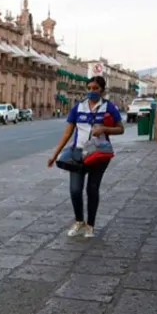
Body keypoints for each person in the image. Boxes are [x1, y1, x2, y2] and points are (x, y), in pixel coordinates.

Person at [47, 76, 124, 238]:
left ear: (102, 90)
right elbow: (68, 132)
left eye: (95, 88)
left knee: (92, 189)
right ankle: (79, 220)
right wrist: (55, 154)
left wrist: (104, 129)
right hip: (78, 154)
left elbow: (120, 129)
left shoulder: (109, 107)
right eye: (89, 88)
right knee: (75, 190)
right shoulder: (78, 107)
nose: (91, 91)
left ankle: (90, 225)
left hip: (99, 155)